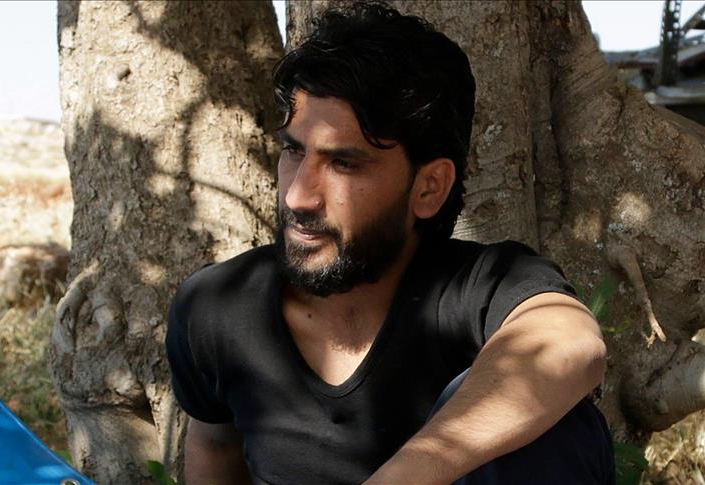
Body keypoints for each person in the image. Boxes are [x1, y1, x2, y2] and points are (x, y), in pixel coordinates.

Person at [166, 2, 615, 484]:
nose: (298, 196)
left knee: (549, 418)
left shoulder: (484, 288)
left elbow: (566, 344)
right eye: (294, 151)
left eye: (344, 163)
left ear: (429, 187)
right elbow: (214, 447)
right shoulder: (218, 307)